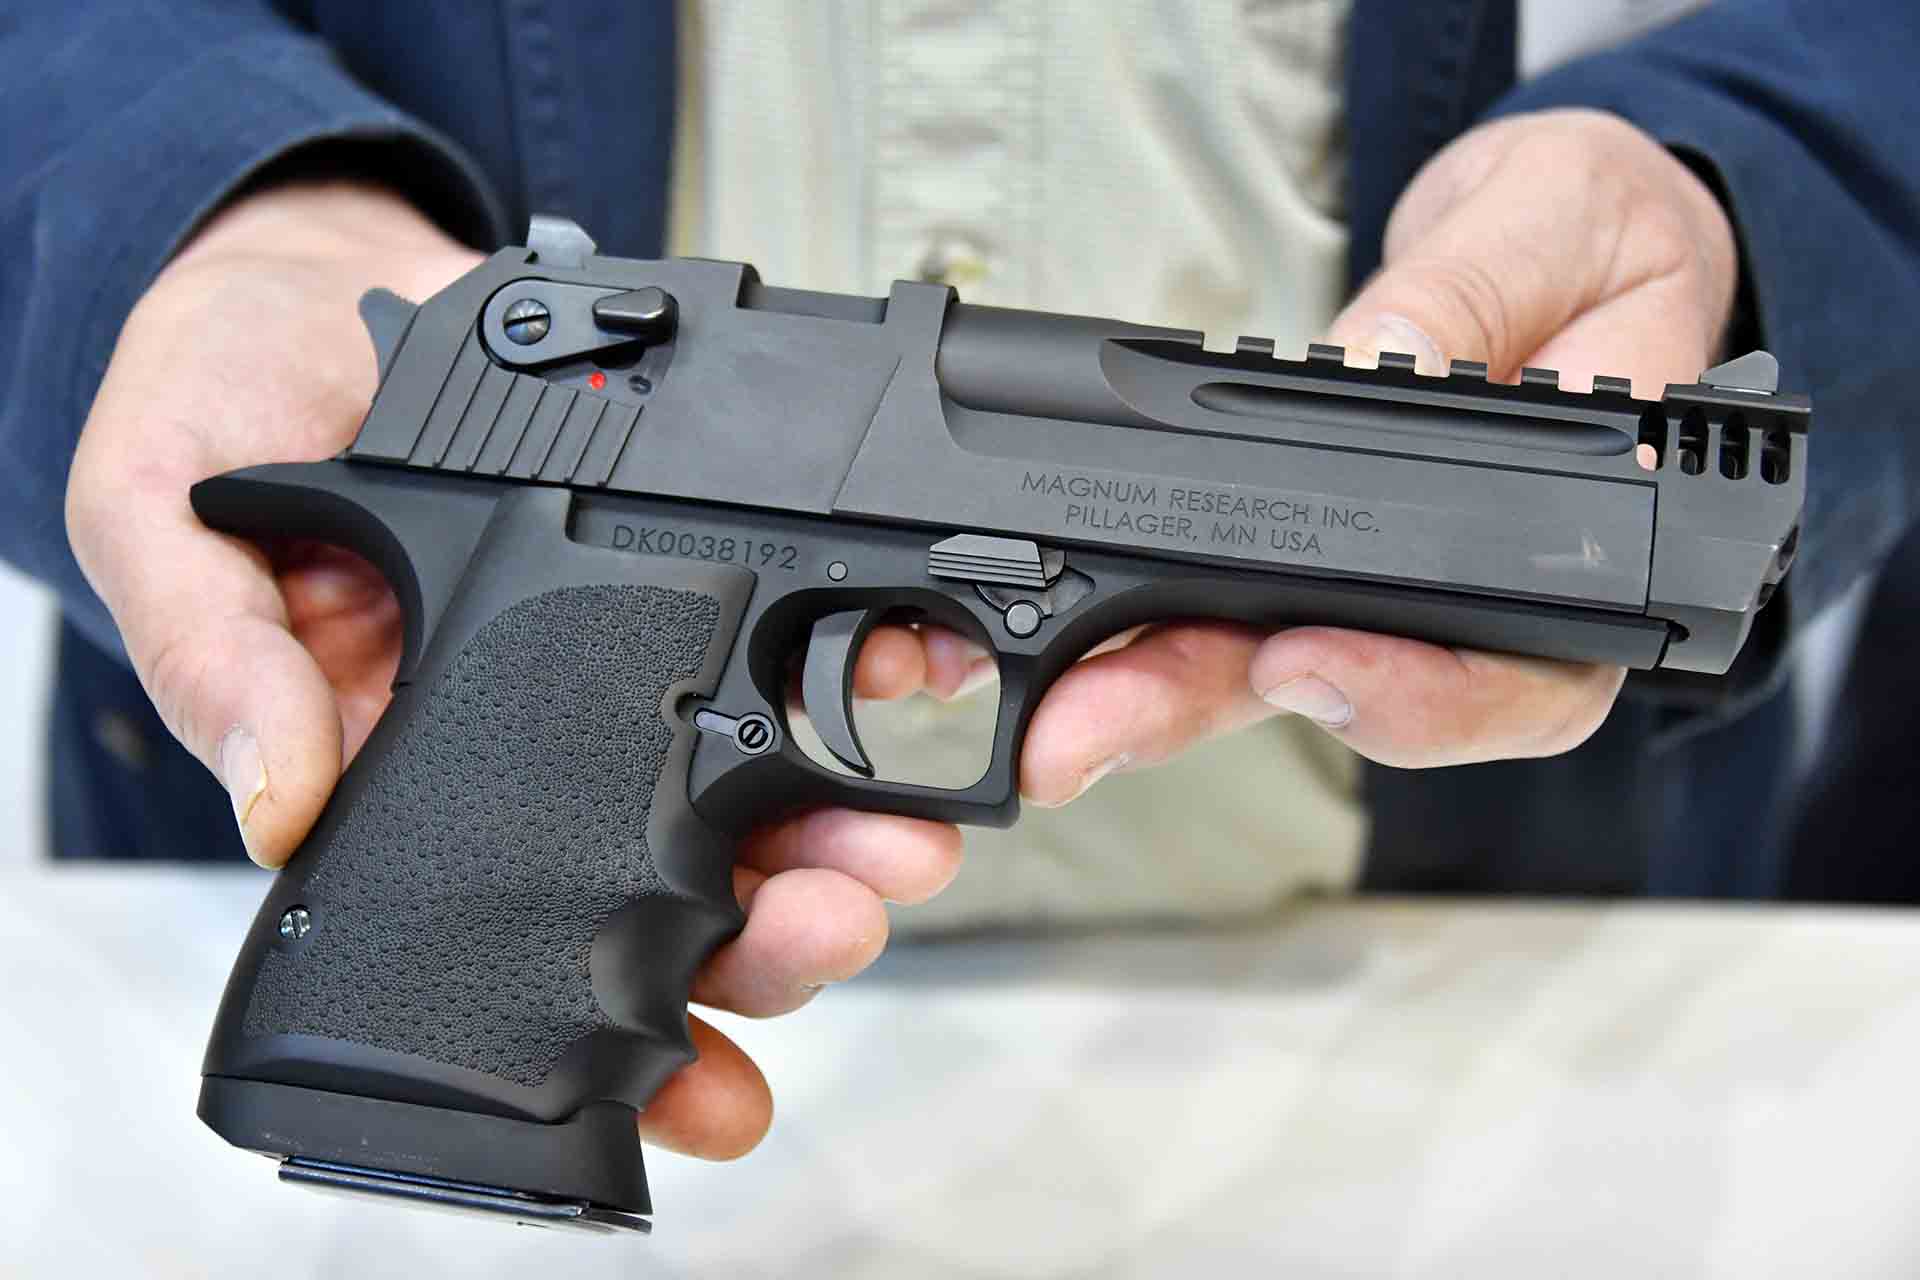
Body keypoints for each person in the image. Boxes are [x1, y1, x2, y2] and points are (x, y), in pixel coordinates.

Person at [2, 0, 1915, 1162]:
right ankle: (409, 1079)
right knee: (442, 1030)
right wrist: (213, 199)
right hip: (568, 511)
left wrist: (1753, 195)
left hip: (1454, 976)